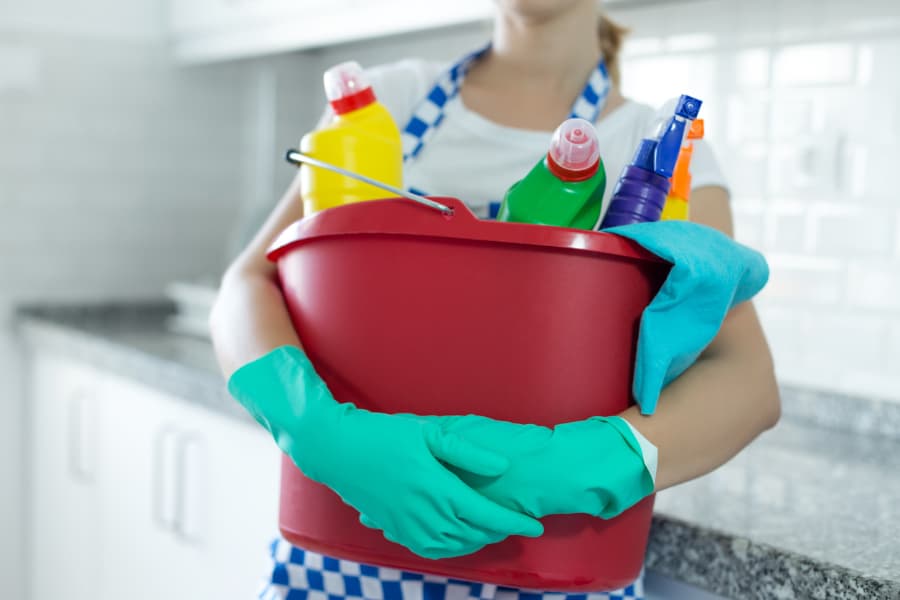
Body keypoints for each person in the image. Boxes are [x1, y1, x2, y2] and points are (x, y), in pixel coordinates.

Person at [210, 1, 781, 598]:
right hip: (334, 563)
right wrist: (318, 427)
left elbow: (746, 379)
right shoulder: (386, 103)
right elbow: (246, 285)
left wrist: (596, 461)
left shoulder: (658, 148)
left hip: (554, 570)